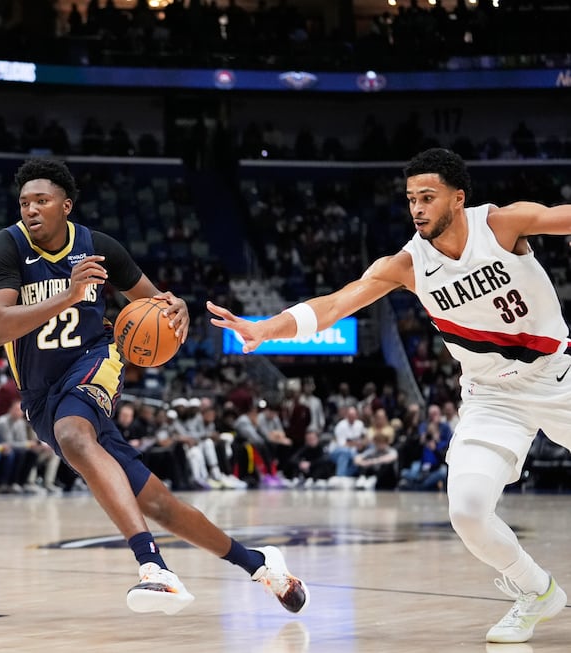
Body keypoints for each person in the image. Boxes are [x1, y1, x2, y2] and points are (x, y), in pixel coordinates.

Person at [208, 147, 569, 643]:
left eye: (428, 196)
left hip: (557, 376)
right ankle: (536, 591)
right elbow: (335, 304)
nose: (417, 207)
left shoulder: (504, 225)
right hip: (490, 396)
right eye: (410, 199)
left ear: (458, 198)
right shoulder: (406, 264)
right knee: (466, 510)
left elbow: (560, 217)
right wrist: (267, 327)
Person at [0, 158, 307, 616]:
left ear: (66, 206)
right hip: (39, 394)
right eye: (24, 202)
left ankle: (154, 569)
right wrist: (69, 296)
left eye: (42, 200)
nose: (30, 209)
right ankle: (263, 567)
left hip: (94, 363)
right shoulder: (8, 246)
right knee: (158, 503)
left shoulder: (98, 248)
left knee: (74, 434)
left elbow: (156, 305)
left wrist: (180, 311)